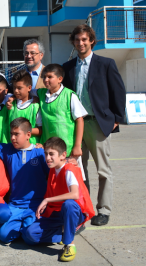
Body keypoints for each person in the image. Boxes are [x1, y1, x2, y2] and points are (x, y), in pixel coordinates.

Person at [62, 24, 125, 226]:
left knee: (103, 170)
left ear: (91, 41)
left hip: (98, 123)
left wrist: (116, 118)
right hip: (76, 125)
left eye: (84, 39)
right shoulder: (68, 67)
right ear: (73, 42)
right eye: (77, 40)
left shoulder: (106, 64)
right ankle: (84, 206)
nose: (81, 43)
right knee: (79, 169)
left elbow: (118, 92)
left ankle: (104, 210)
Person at [23, 137, 95, 262]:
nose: (47, 157)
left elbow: (75, 194)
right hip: (57, 212)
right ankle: (66, 230)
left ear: (63, 155)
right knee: (29, 235)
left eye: (51, 154)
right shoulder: (53, 168)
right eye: (46, 153)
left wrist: (47, 200)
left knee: (69, 204)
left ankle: (69, 244)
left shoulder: (69, 170)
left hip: (75, 212)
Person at [37, 64, 87, 161]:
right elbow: (26, 91)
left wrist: (77, 146)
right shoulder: (41, 93)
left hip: (67, 149)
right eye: (44, 77)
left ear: (60, 79)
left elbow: (80, 120)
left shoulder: (69, 95)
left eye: (50, 77)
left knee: (70, 174)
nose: (46, 80)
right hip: (49, 149)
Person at [7, 69, 42, 144]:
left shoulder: (35, 106)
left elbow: (41, 130)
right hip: (13, 148)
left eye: (19, 88)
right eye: (14, 88)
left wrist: (23, 130)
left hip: (31, 149)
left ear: (29, 88)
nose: (16, 91)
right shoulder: (10, 103)